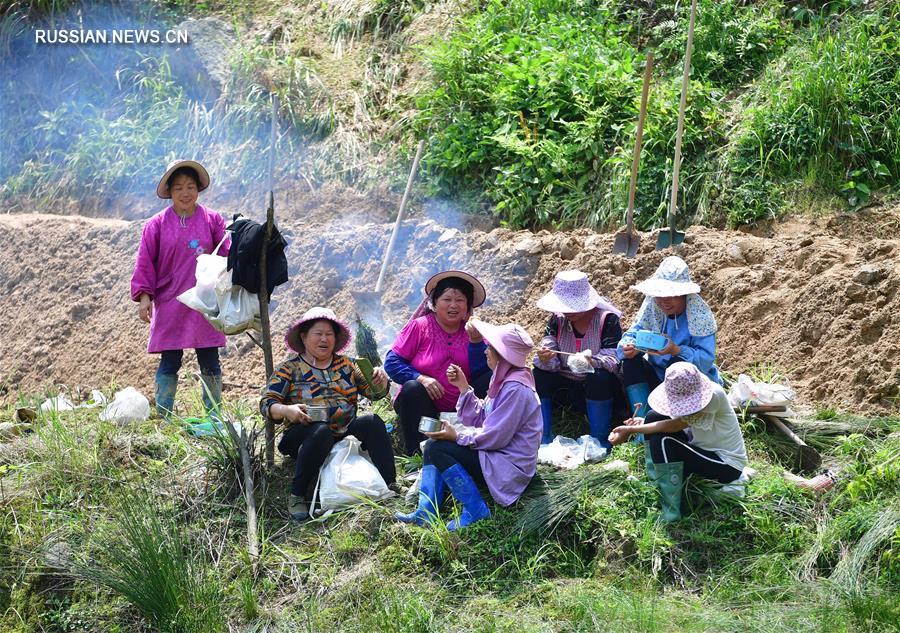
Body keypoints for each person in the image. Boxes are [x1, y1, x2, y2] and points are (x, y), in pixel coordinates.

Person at [395, 320, 541, 531]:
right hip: (497, 455)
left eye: (490, 347)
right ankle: (425, 511)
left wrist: (456, 437)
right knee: (432, 445)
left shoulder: (515, 389)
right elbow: (484, 417)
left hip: (508, 466)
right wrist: (463, 387)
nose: (485, 352)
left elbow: (496, 436)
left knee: (439, 448)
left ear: (502, 354)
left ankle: (475, 510)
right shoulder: (503, 379)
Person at [261, 307, 396, 522]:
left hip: (343, 432)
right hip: (303, 435)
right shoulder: (289, 369)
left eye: (329, 334)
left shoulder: (348, 365)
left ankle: (389, 483)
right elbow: (267, 404)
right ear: (304, 337)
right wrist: (287, 410)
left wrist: (380, 378)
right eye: (318, 333)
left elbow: (375, 394)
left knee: (372, 421)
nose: (324, 339)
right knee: (320, 430)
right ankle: (297, 495)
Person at [131, 159, 230, 420]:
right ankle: (164, 418)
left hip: (205, 300)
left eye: (190, 187)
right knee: (170, 360)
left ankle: (214, 417)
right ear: (170, 193)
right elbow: (145, 262)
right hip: (171, 299)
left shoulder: (213, 220)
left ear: (198, 189)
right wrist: (144, 297)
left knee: (209, 359)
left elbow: (228, 254)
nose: (185, 193)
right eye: (178, 188)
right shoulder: (156, 225)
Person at [608, 362, 747, 521]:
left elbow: (674, 426)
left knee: (663, 440)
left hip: (726, 463)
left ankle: (671, 511)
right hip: (701, 449)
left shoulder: (713, 396)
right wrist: (643, 423)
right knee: (653, 416)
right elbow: (670, 421)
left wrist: (630, 430)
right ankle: (656, 483)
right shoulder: (695, 396)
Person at [385, 271, 492, 456]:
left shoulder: (474, 332)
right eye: (447, 299)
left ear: (467, 307)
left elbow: (485, 371)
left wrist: (475, 343)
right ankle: (417, 454)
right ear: (434, 304)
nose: (453, 305)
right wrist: (421, 378)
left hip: (464, 404)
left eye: (460, 300)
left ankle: (484, 444)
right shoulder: (419, 327)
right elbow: (392, 362)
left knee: (492, 379)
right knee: (412, 388)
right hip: (425, 403)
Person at [616, 256, 721, 418]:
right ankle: (641, 418)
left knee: (678, 364)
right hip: (657, 375)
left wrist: (676, 350)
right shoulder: (652, 305)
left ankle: (669, 419)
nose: (664, 301)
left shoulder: (699, 315)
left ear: (684, 294)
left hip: (691, 383)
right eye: (660, 295)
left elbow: (705, 360)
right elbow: (634, 332)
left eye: (671, 296)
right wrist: (629, 345)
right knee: (630, 362)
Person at [532, 270, 624, 447]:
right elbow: (548, 343)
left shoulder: (607, 320)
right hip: (566, 385)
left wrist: (592, 361)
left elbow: (613, 358)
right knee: (539, 374)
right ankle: (542, 436)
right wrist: (545, 357)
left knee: (600, 378)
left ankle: (599, 439)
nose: (568, 312)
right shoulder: (557, 320)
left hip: (597, 387)